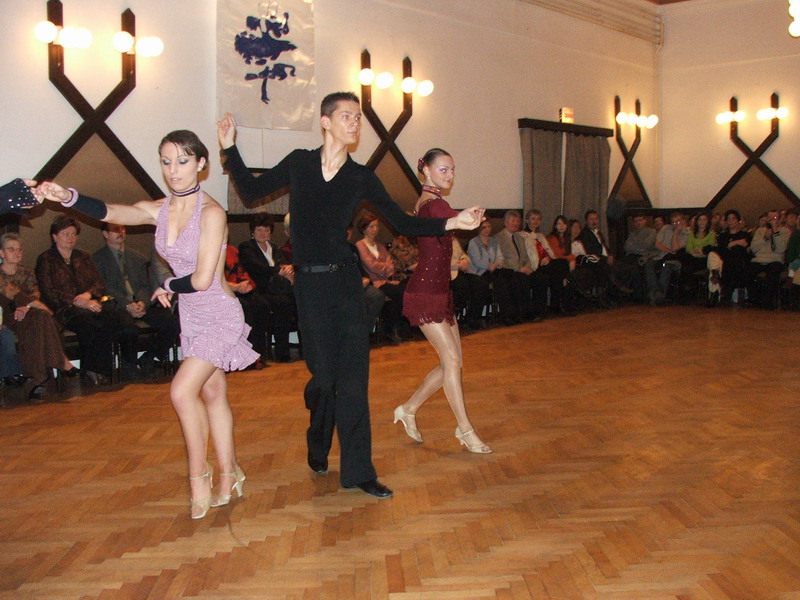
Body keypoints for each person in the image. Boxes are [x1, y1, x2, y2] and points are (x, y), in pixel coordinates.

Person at [217, 92, 484, 498]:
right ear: (325, 122)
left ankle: (359, 471)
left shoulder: (360, 176)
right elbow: (253, 191)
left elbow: (401, 222)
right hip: (310, 287)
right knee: (324, 379)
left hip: (345, 284)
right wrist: (229, 148)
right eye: (347, 116)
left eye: (358, 118)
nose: (355, 123)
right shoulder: (300, 163)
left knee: (354, 381)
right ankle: (318, 438)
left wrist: (452, 223)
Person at [37, 129, 258, 519]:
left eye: (183, 161)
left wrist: (166, 285)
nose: (173, 170)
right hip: (191, 315)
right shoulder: (159, 209)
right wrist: (67, 196)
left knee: (181, 392)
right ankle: (230, 473)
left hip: (219, 313)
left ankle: (199, 476)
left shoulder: (212, 213)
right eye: (166, 161)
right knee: (213, 393)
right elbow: (112, 212)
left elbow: (202, 279)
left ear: (201, 164)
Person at [394, 148, 491, 454]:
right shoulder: (434, 205)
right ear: (426, 170)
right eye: (443, 170)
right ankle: (465, 429)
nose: (450, 175)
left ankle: (408, 409)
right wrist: (463, 219)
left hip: (439, 292)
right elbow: (447, 218)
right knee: (451, 361)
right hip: (424, 293)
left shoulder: (429, 202)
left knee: (454, 362)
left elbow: (450, 223)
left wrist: (464, 220)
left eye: (452, 170)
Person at [34, 216, 132, 385]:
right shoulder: (46, 259)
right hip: (64, 309)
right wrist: (78, 301)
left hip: (90, 304)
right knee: (87, 322)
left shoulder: (83, 256)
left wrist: (87, 295)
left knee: (111, 317)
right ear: (55, 236)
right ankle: (92, 369)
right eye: (66, 234)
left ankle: (101, 369)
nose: (70, 238)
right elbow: (49, 292)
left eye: (73, 234)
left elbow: (99, 284)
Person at [93, 222, 181, 377]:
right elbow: (104, 288)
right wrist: (127, 305)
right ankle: (130, 364)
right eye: (115, 230)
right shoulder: (96, 259)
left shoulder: (137, 257)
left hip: (141, 304)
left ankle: (149, 357)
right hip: (118, 306)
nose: (120, 232)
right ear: (105, 234)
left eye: (123, 228)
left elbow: (145, 285)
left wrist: (142, 302)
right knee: (128, 328)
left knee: (172, 322)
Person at [0, 233, 75, 399]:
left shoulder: (27, 271)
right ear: (1, 253)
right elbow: (11, 292)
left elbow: (35, 294)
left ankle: (38, 379)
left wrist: (26, 306)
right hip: (8, 317)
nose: (17, 253)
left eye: (19, 249)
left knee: (40, 320)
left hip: (29, 315)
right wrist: (29, 304)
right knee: (43, 316)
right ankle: (62, 361)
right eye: (11, 249)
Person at [237, 216, 296, 362]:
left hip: (277, 289)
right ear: (252, 231)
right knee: (283, 301)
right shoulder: (246, 247)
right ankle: (275, 353)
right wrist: (278, 271)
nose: (263, 233)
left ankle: (283, 353)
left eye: (267, 230)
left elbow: (283, 265)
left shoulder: (274, 247)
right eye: (259, 230)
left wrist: (288, 270)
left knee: (288, 300)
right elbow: (257, 268)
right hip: (258, 290)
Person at [356, 213, 408, 342]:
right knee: (398, 293)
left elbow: (391, 266)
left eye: (377, 226)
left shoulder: (380, 246)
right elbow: (371, 266)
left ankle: (394, 326)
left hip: (385, 281)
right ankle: (391, 327)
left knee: (404, 290)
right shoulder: (360, 245)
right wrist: (384, 268)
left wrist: (383, 268)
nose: (375, 229)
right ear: (364, 228)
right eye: (371, 226)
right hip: (374, 282)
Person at [224, 243, 270, 369]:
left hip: (237, 288)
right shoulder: (205, 251)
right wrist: (236, 287)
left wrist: (245, 284)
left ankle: (258, 354)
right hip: (220, 293)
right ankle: (243, 358)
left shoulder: (232, 250)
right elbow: (215, 281)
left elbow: (241, 272)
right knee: (243, 307)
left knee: (261, 305)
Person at [493, 210, 535, 324]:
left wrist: (527, 267)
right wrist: (519, 269)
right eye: (513, 221)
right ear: (506, 222)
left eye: (517, 221)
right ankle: (511, 315)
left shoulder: (519, 237)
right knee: (517, 279)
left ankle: (529, 312)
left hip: (521, 270)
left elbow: (525, 257)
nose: (516, 223)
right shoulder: (498, 238)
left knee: (539, 278)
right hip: (505, 270)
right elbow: (500, 259)